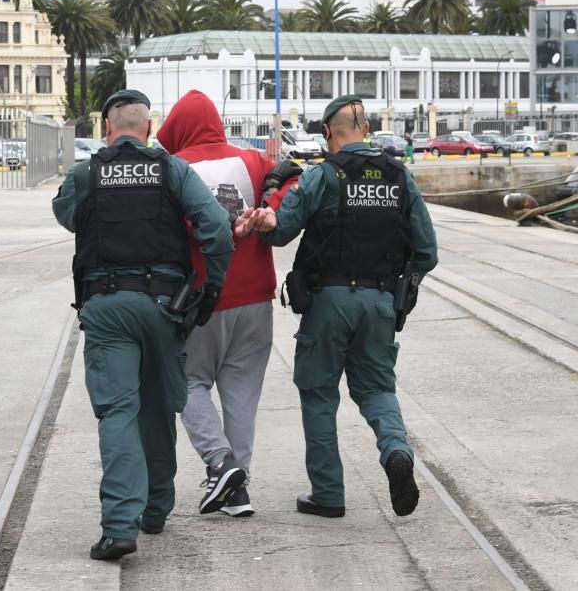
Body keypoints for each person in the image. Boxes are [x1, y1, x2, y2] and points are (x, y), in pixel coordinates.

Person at [237, 95, 438, 519]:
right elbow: (427, 252)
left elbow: (279, 233)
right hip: (381, 302)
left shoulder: (321, 177)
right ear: (366, 128)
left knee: (318, 393)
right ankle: (396, 453)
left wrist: (271, 198)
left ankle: (328, 494)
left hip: (328, 302)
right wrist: (402, 286)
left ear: (328, 132)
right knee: (378, 390)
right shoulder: (400, 177)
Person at [52, 90, 233, 561]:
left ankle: (118, 528)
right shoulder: (172, 170)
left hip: (107, 306)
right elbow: (215, 228)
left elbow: (68, 216)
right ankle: (155, 510)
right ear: (149, 129)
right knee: (156, 407)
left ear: (106, 130)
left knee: (118, 411)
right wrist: (209, 291)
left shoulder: (85, 174)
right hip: (163, 306)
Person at [156, 90, 301, 518]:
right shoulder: (254, 161)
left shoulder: (177, 170)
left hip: (203, 298)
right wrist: (269, 209)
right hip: (256, 296)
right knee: (242, 393)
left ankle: (220, 463)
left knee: (188, 383)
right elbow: (294, 179)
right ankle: (237, 488)